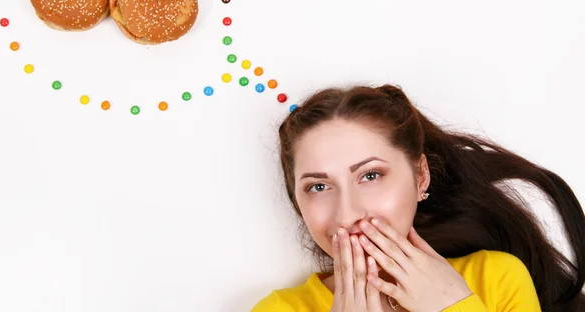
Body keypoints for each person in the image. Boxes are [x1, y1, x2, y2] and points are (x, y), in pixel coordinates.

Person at [251, 84, 585, 312]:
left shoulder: (495, 278)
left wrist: (455, 307)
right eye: (319, 187)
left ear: (420, 175)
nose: (347, 213)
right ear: (297, 201)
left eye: (370, 175)